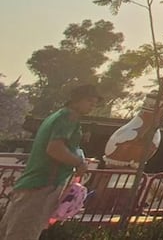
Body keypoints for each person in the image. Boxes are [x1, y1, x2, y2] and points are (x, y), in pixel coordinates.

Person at [0, 84, 98, 240]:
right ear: (76, 100)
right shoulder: (69, 117)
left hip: (32, 183)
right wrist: (79, 163)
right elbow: (54, 148)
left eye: (95, 102)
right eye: (89, 101)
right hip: (44, 185)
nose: (93, 105)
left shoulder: (57, 116)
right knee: (23, 234)